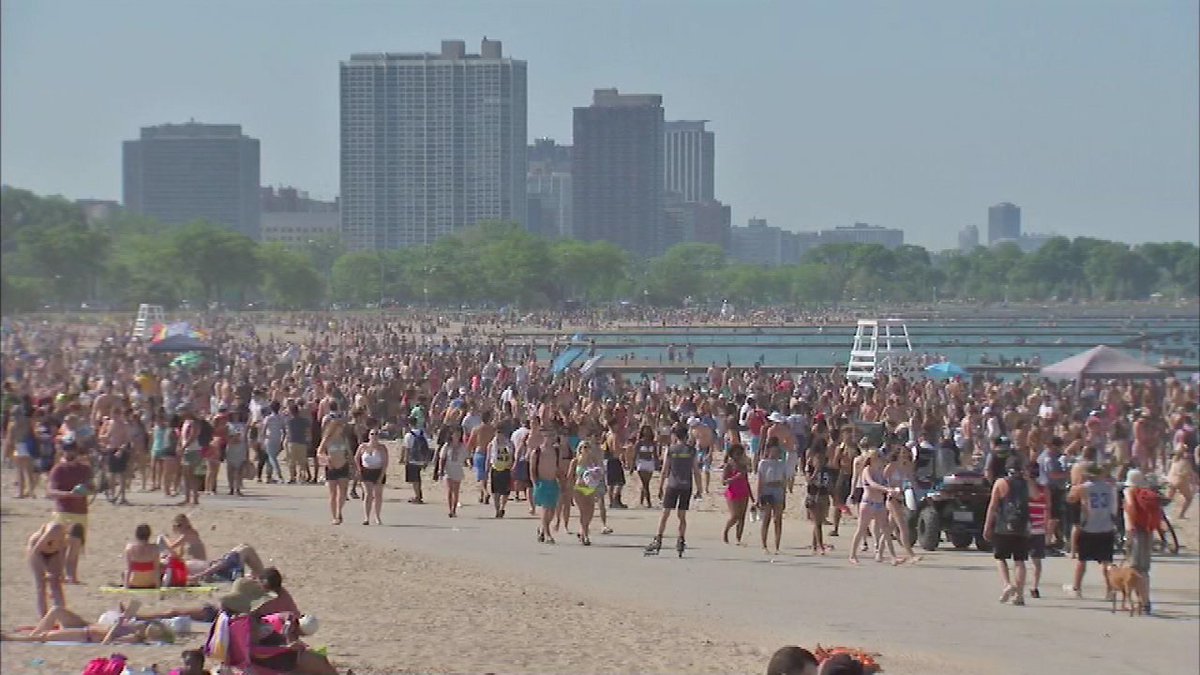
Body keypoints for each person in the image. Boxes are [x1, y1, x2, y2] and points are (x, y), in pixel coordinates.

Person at [646, 424, 702, 555]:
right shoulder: (691, 451)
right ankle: (681, 539)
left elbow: (665, 470)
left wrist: (660, 486)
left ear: (675, 436)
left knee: (665, 514)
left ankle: (658, 538)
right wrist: (699, 488)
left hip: (672, 485)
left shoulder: (671, 449)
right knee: (682, 516)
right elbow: (696, 471)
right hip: (686, 485)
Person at [1063, 464, 1117, 599]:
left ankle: (1077, 588)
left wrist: (1077, 484)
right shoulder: (1109, 487)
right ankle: (1110, 590)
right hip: (1106, 526)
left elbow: (1070, 499)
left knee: (1082, 560)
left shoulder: (1083, 488)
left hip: (1089, 527)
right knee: (1106, 561)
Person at [984, 455, 1031, 606]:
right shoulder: (1027, 484)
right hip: (1022, 526)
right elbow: (1035, 497)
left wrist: (987, 526)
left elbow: (993, 506)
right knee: (1020, 561)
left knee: (1000, 558)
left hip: (1003, 525)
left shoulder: (1001, 483)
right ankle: (1020, 595)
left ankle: (1007, 584)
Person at [45, 438, 91, 584]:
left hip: (81, 512)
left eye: (72, 449)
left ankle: (72, 575)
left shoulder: (85, 469)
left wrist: (87, 490)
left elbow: (92, 486)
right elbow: (51, 491)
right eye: (67, 449)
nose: (70, 452)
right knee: (61, 546)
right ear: (63, 451)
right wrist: (69, 494)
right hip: (63, 511)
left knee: (76, 545)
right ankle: (59, 574)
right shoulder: (58, 469)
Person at [1123, 468, 1160, 614]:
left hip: (1135, 532)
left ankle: (1140, 602)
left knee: (1134, 569)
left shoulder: (1129, 492)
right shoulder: (1146, 495)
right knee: (1144, 570)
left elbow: (1130, 510)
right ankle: (1145, 601)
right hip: (1147, 531)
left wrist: (1128, 535)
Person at [27, 520, 67, 617]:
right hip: (37, 552)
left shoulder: (64, 539)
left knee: (56, 584)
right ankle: (43, 616)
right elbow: (35, 552)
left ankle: (61, 615)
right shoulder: (48, 534)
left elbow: (61, 555)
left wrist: (61, 572)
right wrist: (44, 571)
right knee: (41, 585)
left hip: (53, 553)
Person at [317, 414, 351, 525]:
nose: (341, 428)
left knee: (343, 492)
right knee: (333, 493)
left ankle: (339, 511)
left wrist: (354, 465)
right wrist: (326, 459)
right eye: (339, 426)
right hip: (331, 467)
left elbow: (349, 452)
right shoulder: (327, 439)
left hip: (343, 465)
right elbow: (319, 452)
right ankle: (334, 516)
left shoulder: (343, 439)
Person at [570, 440, 604, 545]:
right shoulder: (575, 461)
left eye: (588, 447)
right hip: (579, 488)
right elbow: (570, 476)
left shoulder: (593, 461)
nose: (586, 449)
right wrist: (569, 491)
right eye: (584, 447)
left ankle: (582, 530)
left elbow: (599, 473)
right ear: (580, 449)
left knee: (590, 512)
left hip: (590, 488)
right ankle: (585, 535)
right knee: (583, 511)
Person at [757, 437, 788, 555]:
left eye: (777, 451)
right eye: (773, 451)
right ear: (769, 451)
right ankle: (764, 545)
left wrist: (784, 496)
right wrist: (758, 497)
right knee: (767, 518)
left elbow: (784, 481)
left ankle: (777, 545)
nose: (775, 453)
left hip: (778, 490)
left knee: (778, 519)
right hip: (767, 490)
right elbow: (760, 481)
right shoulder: (763, 463)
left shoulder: (781, 464)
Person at [355, 429, 388, 525]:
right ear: (369, 435)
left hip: (378, 471)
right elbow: (356, 458)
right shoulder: (363, 446)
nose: (374, 436)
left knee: (378, 495)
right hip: (366, 471)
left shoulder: (382, 448)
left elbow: (385, 462)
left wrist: (381, 476)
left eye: (376, 434)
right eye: (372, 434)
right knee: (368, 494)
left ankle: (377, 516)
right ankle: (366, 518)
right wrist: (359, 469)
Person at [722, 443, 753, 545]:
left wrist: (752, 497)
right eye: (737, 453)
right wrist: (735, 478)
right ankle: (726, 531)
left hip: (744, 492)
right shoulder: (729, 466)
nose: (739, 455)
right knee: (735, 516)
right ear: (732, 454)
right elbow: (723, 482)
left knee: (742, 517)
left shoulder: (743, 466)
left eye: (740, 453)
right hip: (732, 492)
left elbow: (746, 481)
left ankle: (738, 538)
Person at [806, 450, 835, 555]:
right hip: (813, 497)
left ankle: (814, 545)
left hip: (824, 496)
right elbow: (809, 481)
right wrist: (816, 471)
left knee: (819, 521)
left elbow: (830, 485)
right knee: (817, 522)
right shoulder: (809, 470)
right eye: (817, 460)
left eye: (821, 460)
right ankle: (820, 546)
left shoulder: (828, 471)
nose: (820, 462)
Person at [403, 414, 432, 505]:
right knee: (418, 478)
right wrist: (426, 460)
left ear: (409, 424)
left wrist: (405, 460)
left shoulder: (408, 435)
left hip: (413, 459)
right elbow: (428, 447)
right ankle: (419, 494)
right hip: (421, 458)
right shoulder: (423, 433)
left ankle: (417, 496)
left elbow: (407, 449)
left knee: (414, 479)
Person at [439, 426, 467, 518]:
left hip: (458, 469)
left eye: (459, 433)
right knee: (449, 490)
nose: (457, 435)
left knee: (456, 491)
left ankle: (454, 510)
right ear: (451, 435)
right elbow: (442, 458)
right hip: (448, 469)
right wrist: (440, 470)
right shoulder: (447, 445)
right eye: (455, 433)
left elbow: (465, 457)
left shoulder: (462, 446)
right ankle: (450, 510)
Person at [488, 424, 515, 518]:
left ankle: (502, 508)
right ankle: (497, 509)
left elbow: (513, 456)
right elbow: (489, 458)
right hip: (495, 468)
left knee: (505, 492)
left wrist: (513, 466)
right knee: (495, 492)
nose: (499, 434)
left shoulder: (509, 444)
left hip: (506, 469)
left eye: (501, 432)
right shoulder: (492, 444)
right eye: (498, 432)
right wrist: (487, 469)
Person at [124, 523, 161, 589]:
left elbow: (128, 570)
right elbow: (156, 570)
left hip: (134, 583)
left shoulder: (129, 548)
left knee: (124, 573)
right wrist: (158, 587)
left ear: (136, 535)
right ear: (149, 535)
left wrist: (126, 587)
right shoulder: (155, 549)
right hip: (150, 583)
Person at [632, 424, 659, 508]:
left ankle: (641, 501)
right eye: (645, 430)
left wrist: (657, 464)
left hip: (650, 463)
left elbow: (655, 455)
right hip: (641, 463)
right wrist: (632, 466)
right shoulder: (639, 443)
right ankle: (649, 502)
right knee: (645, 483)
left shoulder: (653, 443)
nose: (647, 432)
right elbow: (635, 455)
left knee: (646, 483)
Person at [286, 403, 312, 484]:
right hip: (302, 442)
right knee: (302, 461)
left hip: (292, 442)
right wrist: (309, 440)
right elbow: (308, 431)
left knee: (291, 461)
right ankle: (301, 477)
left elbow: (287, 432)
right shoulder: (304, 421)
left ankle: (292, 477)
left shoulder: (289, 421)